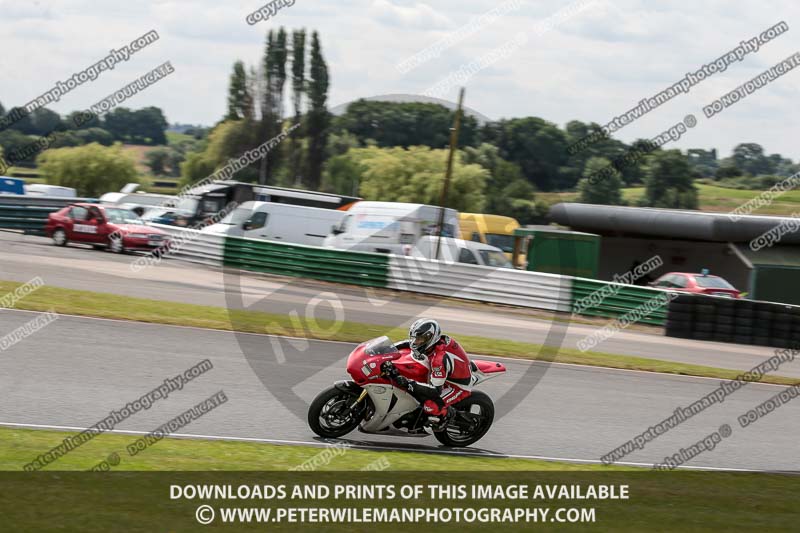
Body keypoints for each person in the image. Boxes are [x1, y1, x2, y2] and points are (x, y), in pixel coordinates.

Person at [384, 318, 473, 425]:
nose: (415, 342)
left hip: (456, 386)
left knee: (430, 407)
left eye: (419, 339)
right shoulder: (434, 343)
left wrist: (408, 383)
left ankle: (448, 415)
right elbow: (409, 344)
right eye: (415, 338)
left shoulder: (438, 360)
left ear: (430, 338)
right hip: (447, 373)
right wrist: (389, 348)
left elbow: (435, 391)